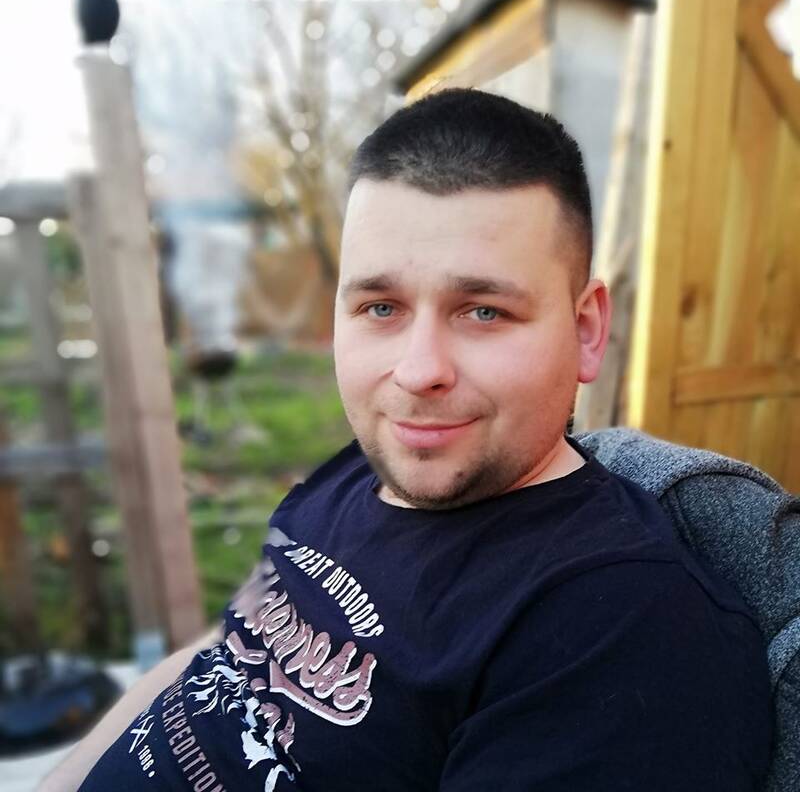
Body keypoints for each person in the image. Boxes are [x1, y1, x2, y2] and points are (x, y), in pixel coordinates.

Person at [45, 89, 772, 792]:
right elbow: (215, 659)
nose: (419, 371)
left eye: (483, 311)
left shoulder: (621, 634)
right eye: (381, 307)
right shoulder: (356, 473)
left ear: (585, 331)